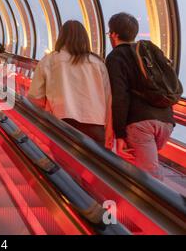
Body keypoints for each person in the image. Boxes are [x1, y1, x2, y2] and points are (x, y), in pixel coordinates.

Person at [106, 13, 175, 179]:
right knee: (139, 169)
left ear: (114, 35)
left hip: (140, 124)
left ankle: (160, 204)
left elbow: (119, 97)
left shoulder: (116, 56)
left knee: (148, 178)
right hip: (166, 121)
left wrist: (120, 134)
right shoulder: (146, 52)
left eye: (109, 33)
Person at [28, 20, 113, 148]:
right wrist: (109, 132)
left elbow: (35, 98)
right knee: (93, 167)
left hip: (61, 124)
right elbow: (108, 100)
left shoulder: (49, 61)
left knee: (66, 165)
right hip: (95, 127)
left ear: (61, 37)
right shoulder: (98, 63)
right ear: (85, 38)